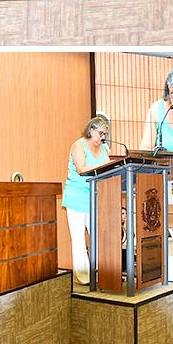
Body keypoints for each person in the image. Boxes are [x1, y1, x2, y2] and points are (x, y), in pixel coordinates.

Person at [61, 116, 110, 285]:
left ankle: (101, 272)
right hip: (76, 197)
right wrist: (105, 167)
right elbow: (82, 168)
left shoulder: (103, 149)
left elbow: (109, 169)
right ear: (91, 131)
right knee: (79, 239)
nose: (103, 137)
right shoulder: (78, 145)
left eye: (105, 133)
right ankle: (84, 278)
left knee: (99, 237)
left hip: (95, 198)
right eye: (101, 133)